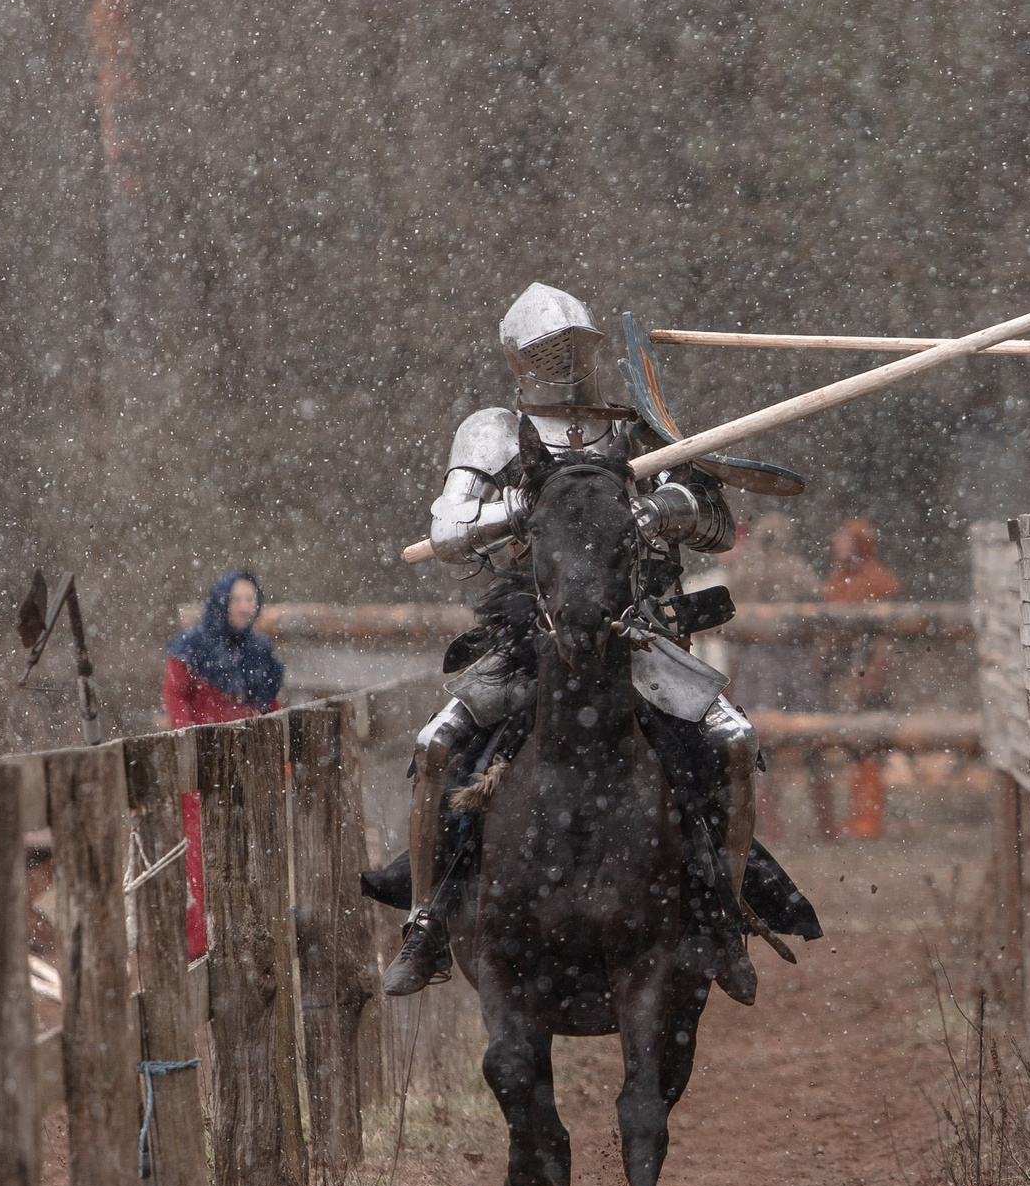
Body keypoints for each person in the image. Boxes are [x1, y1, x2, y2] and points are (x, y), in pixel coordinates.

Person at [377, 282, 814, 1001]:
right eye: (548, 350)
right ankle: (426, 925)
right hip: (530, 634)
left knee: (733, 743)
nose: (564, 360)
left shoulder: (633, 425)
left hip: (635, 630)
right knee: (435, 746)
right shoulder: (495, 429)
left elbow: (714, 519)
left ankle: (726, 917)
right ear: (518, 357)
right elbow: (450, 531)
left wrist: (651, 511)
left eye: (573, 345)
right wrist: (533, 506)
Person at [163, 569, 284, 957]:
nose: (245, 607)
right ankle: (201, 949)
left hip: (248, 768)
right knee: (202, 861)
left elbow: (270, 708)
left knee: (253, 853)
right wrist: (194, 748)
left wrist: (278, 758)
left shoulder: (259, 652)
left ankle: (245, 941)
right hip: (202, 769)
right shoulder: (191, 646)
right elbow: (175, 698)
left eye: (251, 599)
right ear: (221, 601)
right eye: (237, 598)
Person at [716, 513, 827, 831]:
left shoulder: (750, 571)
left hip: (765, 659)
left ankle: (771, 823)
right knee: (807, 739)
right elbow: (818, 607)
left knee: (765, 741)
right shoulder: (794, 569)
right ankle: (817, 822)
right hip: (783, 659)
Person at [824, 517, 902, 840]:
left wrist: (874, 670)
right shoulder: (838, 579)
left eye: (846, 541)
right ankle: (858, 815)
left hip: (869, 668)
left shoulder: (878, 580)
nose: (839, 547)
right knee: (852, 745)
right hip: (846, 669)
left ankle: (870, 818)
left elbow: (884, 636)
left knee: (869, 744)